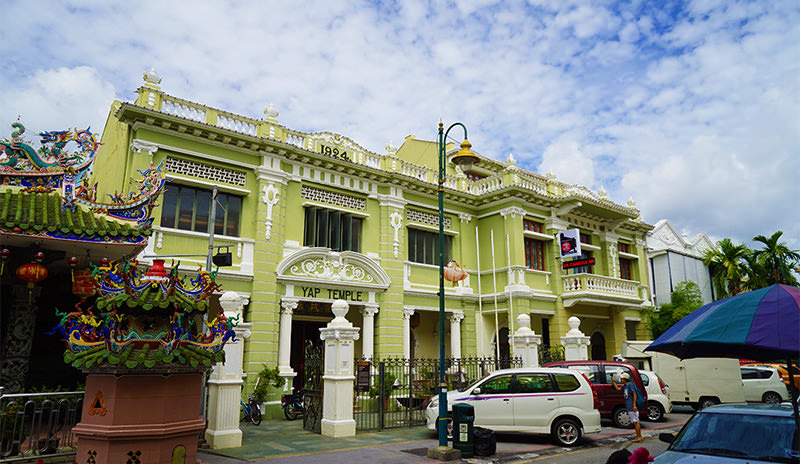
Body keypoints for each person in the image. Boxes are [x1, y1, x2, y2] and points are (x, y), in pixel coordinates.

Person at [612, 372, 643, 442]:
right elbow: (618, 389)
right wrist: (613, 382)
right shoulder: (625, 386)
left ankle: (639, 437)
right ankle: (638, 436)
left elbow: (635, 395)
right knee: (635, 422)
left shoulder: (630, 385)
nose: (621, 379)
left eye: (622, 378)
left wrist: (634, 405)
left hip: (632, 406)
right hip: (629, 406)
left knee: (636, 422)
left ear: (625, 379)